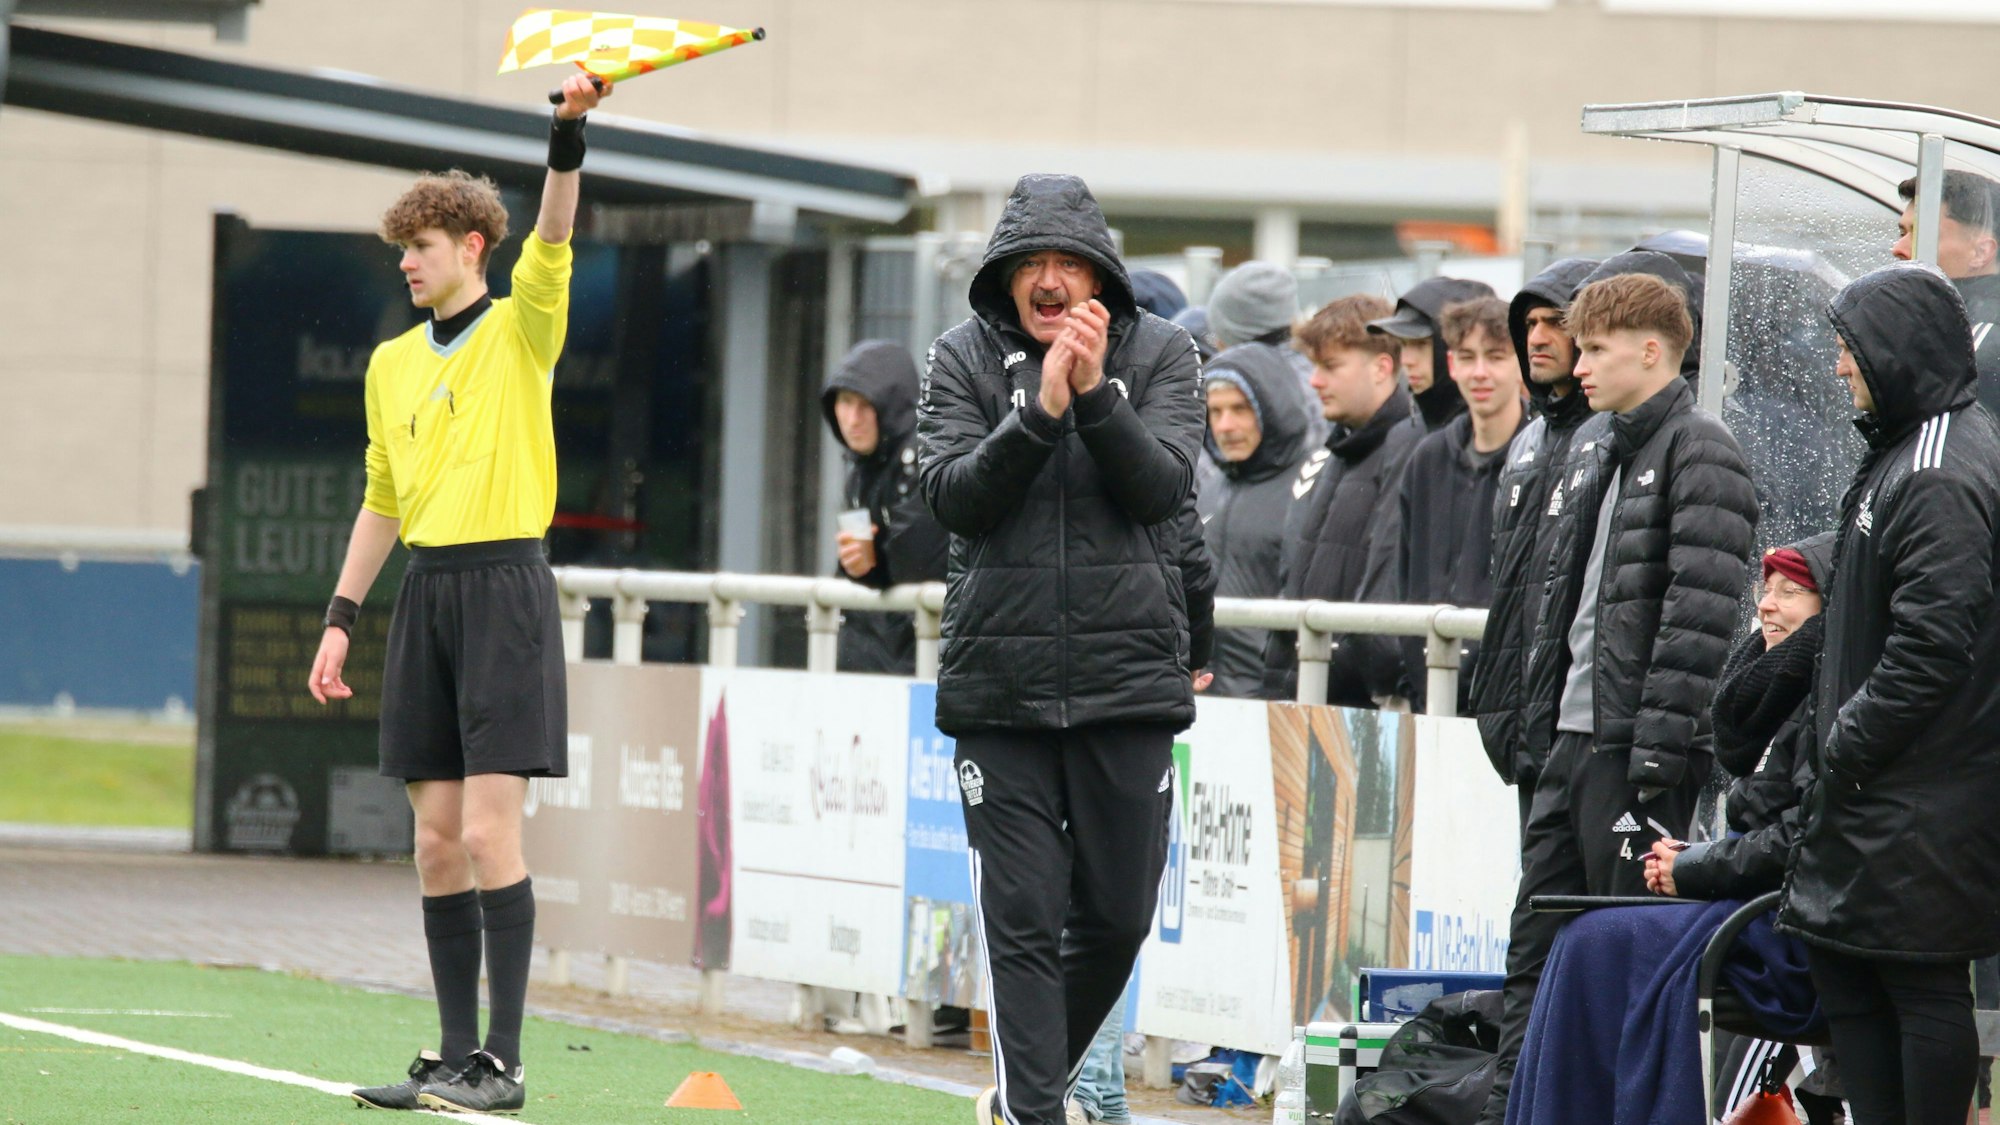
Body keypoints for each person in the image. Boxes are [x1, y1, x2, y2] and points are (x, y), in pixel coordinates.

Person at [306, 73, 607, 1115]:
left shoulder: (524, 325)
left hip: (504, 586)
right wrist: (341, 618)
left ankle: (505, 1066)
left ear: (472, 249)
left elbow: (557, 227)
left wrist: (564, 134)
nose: (405, 262)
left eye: (421, 247)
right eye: (402, 248)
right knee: (433, 840)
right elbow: (381, 499)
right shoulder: (388, 364)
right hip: (426, 594)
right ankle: (447, 1057)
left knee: (488, 836)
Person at [915, 172, 1213, 1125]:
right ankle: (1037, 1112)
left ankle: (1019, 1092)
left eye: (1067, 264)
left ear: (1100, 278)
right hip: (998, 694)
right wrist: (1035, 414)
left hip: (1126, 688)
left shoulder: (1165, 352)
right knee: (1023, 923)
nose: (1048, 282)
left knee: (1120, 914)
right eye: (1030, 265)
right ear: (1004, 278)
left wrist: (1089, 398)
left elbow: (1164, 490)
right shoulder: (958, 358)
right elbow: (953, 498)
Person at [1478, 271, 1759, 1125]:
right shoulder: (1602, 446)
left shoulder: (1700, 448)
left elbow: (1699, 621)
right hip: (1570, 743)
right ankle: (1515, 1109)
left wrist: (1653, 759)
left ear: (1650, 351)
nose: (1580, 363)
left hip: (1629, 755)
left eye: (1597, 348)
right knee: (1538, 945)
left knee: (1626, 954)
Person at [1776, 262, 2000, 1125]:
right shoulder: (1905, 450)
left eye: (1849, 349)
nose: (1839, 367)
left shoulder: (1941, 468)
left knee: (1917, 979)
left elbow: (1932, 646)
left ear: (1896, 352)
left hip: (1918, 795)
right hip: (1877, 792)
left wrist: (1846, 744)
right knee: (1853, 973)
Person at [1645, 534, 1846, 1125]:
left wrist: (1694, 868)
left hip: (1789, 933)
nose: (1766, 604)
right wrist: (1693, 860)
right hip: (1754, 905)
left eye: (1791, 591)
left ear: (1829, 607)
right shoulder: (1773, 688)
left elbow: (1797, 838)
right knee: (1587, 941)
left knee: (1601, 950)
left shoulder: (1827, 694)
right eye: (1767, 589)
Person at [1469, 257, 1599, 824]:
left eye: (1555, 322)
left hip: (1582, 727)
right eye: (1529, 326)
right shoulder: (1527, 444)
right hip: (1526, 725)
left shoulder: (1612, 437)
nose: (1539, 337)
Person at [1261, 294, 1424, 706]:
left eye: (1330, 367)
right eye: (1315, 366)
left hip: (1358, 714)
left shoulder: (1411, 456)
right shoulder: (1331, 456)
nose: (1315, 381)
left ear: (1382, 367)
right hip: (1303, 702)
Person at [1373, 296, 1525, 712]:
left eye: (1496, 356)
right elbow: (1407, 575)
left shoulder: (1544, 460)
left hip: (1505, 705)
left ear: (1521, 365)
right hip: (1427, 695)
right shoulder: (1426, 459)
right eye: (1467, 356)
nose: (1480, 372)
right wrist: (1412, 677)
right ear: (1452, 364)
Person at [821, 339, 949, 674]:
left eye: (866, 405)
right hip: (874, 664)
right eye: (845, 402)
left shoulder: (926, 459)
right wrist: (860, 564)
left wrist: (872, 560)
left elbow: (922, 561)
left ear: (891, 408)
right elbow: (861, 569)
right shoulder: (860, 473)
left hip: (921, 666)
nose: (853, 418)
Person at [1195, 341, 1312, 698]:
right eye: (1215, 411)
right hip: (1208, 704)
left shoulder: (1311, 484)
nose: (1225, 425)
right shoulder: (1207, 491)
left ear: (1273, 408)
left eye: (1240, 409)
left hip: (1279, 703)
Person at [1891, 169, 2000, 412]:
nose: (1898, 248)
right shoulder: (1947, 326)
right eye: (1902, 233)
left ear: (1981, 252)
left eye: (1922, 235)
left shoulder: (1978, 349)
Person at [1208, 260, 1328, 452]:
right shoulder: (1320, 373)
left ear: (1231, 334)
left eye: (1240, 408)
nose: (1226, 425)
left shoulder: (1230, 382)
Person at [1366, 276, 1498, 431]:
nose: (1406, 361)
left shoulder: (1509, 438)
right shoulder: (1401, 437)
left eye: (1421, 344)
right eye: (1402, 344)